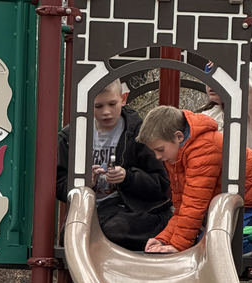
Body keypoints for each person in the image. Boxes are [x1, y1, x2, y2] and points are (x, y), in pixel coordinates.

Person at [137, 106, 252, 255]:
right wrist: (163, 239)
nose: (157, 157)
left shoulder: (203, 149)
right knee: (205, 242)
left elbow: (194, 206)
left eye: (160, 150)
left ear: (178, 136)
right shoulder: (176, 156)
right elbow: (183, 207)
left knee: (223, 244)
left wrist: (177, 247)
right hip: (250, 202)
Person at [56, 78, 172, 251]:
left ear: (123, 98)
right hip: (91, 210)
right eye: (98, 106)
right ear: (88, 104)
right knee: (69, 235)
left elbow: (161, 185)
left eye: (112, 104)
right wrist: (83, 183)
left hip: (130, 209)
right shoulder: (70, 137)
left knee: (113, 229)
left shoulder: (138, 134)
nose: (106, 112)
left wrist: (128, 177)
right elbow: (58, 184)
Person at [199, 61, 252, 150]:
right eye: (209, 79)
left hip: (246, 163)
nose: (211, 85)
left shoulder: (250, 113)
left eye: (218, 79)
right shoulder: (206, 115)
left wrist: (232, 63)